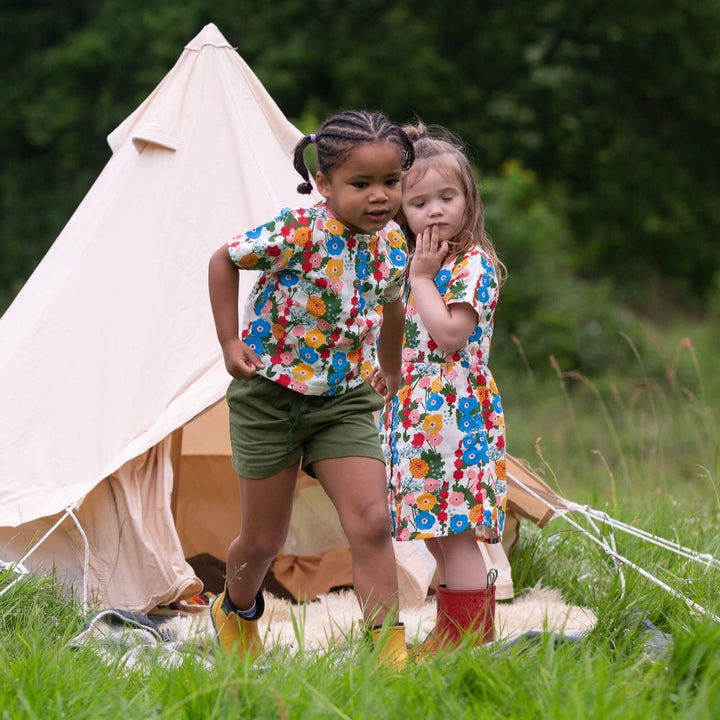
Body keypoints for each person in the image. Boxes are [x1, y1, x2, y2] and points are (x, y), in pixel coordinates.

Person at [207, 110, 415, 668]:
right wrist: (230, 342)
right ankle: (235, 609)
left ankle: (388, 650)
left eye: (390, 183)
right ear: (323, 184)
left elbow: (393, 305)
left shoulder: (393, 241)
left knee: (372, 520)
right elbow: (224, 260)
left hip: (344, 399)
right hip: (270, 397)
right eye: (361, 184)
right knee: (263, 542)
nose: (380, 197)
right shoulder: (298, 230)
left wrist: (389, 367)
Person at [373, 122, 507, 654]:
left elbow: (450, 336)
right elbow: (413, 338)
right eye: (419, 201)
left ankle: (469, 641)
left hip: (455, 416)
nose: (433, 211)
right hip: (418, 412)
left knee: (456, 532)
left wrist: (423, 279)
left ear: (468, 201)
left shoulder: (471, 266)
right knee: (435, 531)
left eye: (446, 197)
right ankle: (455, 633)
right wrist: (393, 370)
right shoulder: (421, 266)